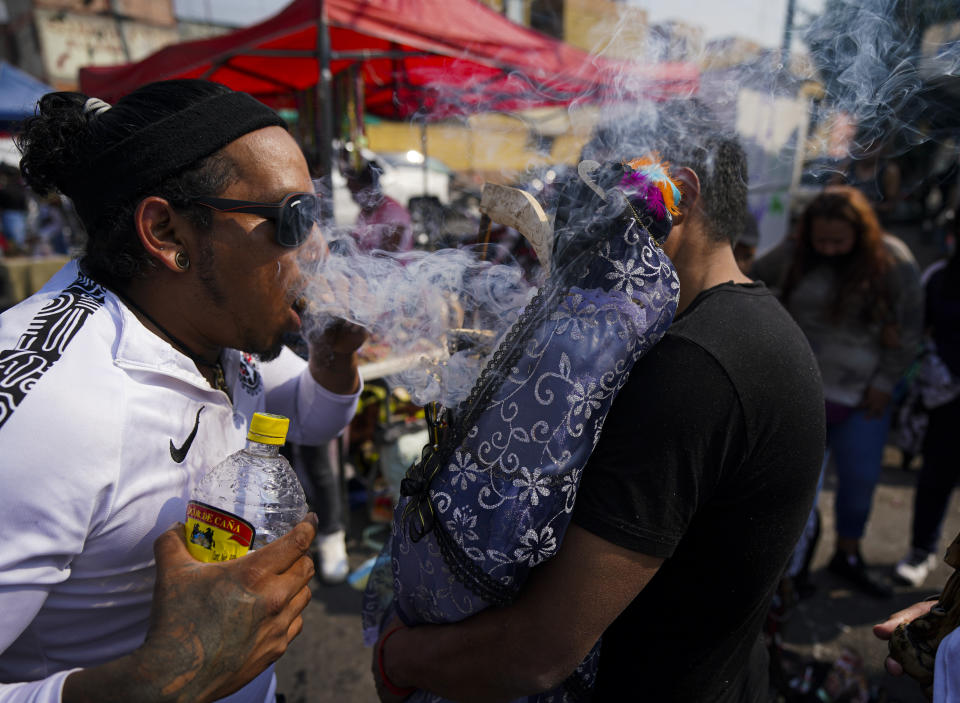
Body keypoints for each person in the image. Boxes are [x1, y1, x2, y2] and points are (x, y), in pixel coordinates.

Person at [371, 99, 825, 702]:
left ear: (676, 195)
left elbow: (540, 650)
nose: (578, 215)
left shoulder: (699, 367)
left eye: (599, 187)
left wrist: (398, 658)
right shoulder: (722, 329)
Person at [0, 80, 365, 702]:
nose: (320, 250)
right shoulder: (52, 411)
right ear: (168, 233)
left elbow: (308, 416)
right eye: (292, 220)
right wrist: (148, 684)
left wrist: (332, 354)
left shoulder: (215, 330)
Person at [754, 185, 923, 599]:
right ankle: (787, 575)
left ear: (860, 235)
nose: (828, 249)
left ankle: (848, 555)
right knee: (798, 495)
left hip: (863, 396)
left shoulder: (892, 261)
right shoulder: (795, 254)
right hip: (802, 392)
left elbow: (910, 331)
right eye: (821, 240)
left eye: (839, 241)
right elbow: (751, 283)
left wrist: (885, 383)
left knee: (859, 482)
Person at [894, 220, 960, 587]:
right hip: (946, 397)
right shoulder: (939, 277)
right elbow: (915, 331)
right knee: (936, 477)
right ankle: (922, 550)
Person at [344, 160, 413, 254]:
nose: (353, 197)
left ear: (369, 188)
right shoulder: (363, 213)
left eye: (355, 192)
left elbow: (388, 254)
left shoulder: (392, 211)